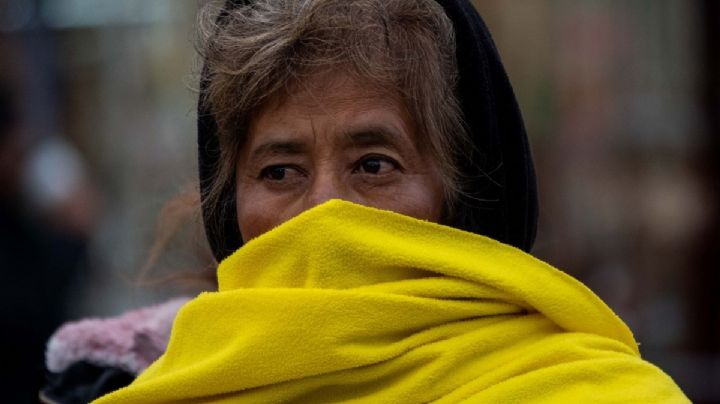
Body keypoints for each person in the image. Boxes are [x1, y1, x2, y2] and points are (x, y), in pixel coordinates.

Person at [43, 0, 688, 402]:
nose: (325, 210)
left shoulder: (595, 395)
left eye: (374, 164)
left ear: (461, 198)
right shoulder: (146, 387)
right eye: (279, 171)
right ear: (229, 209)